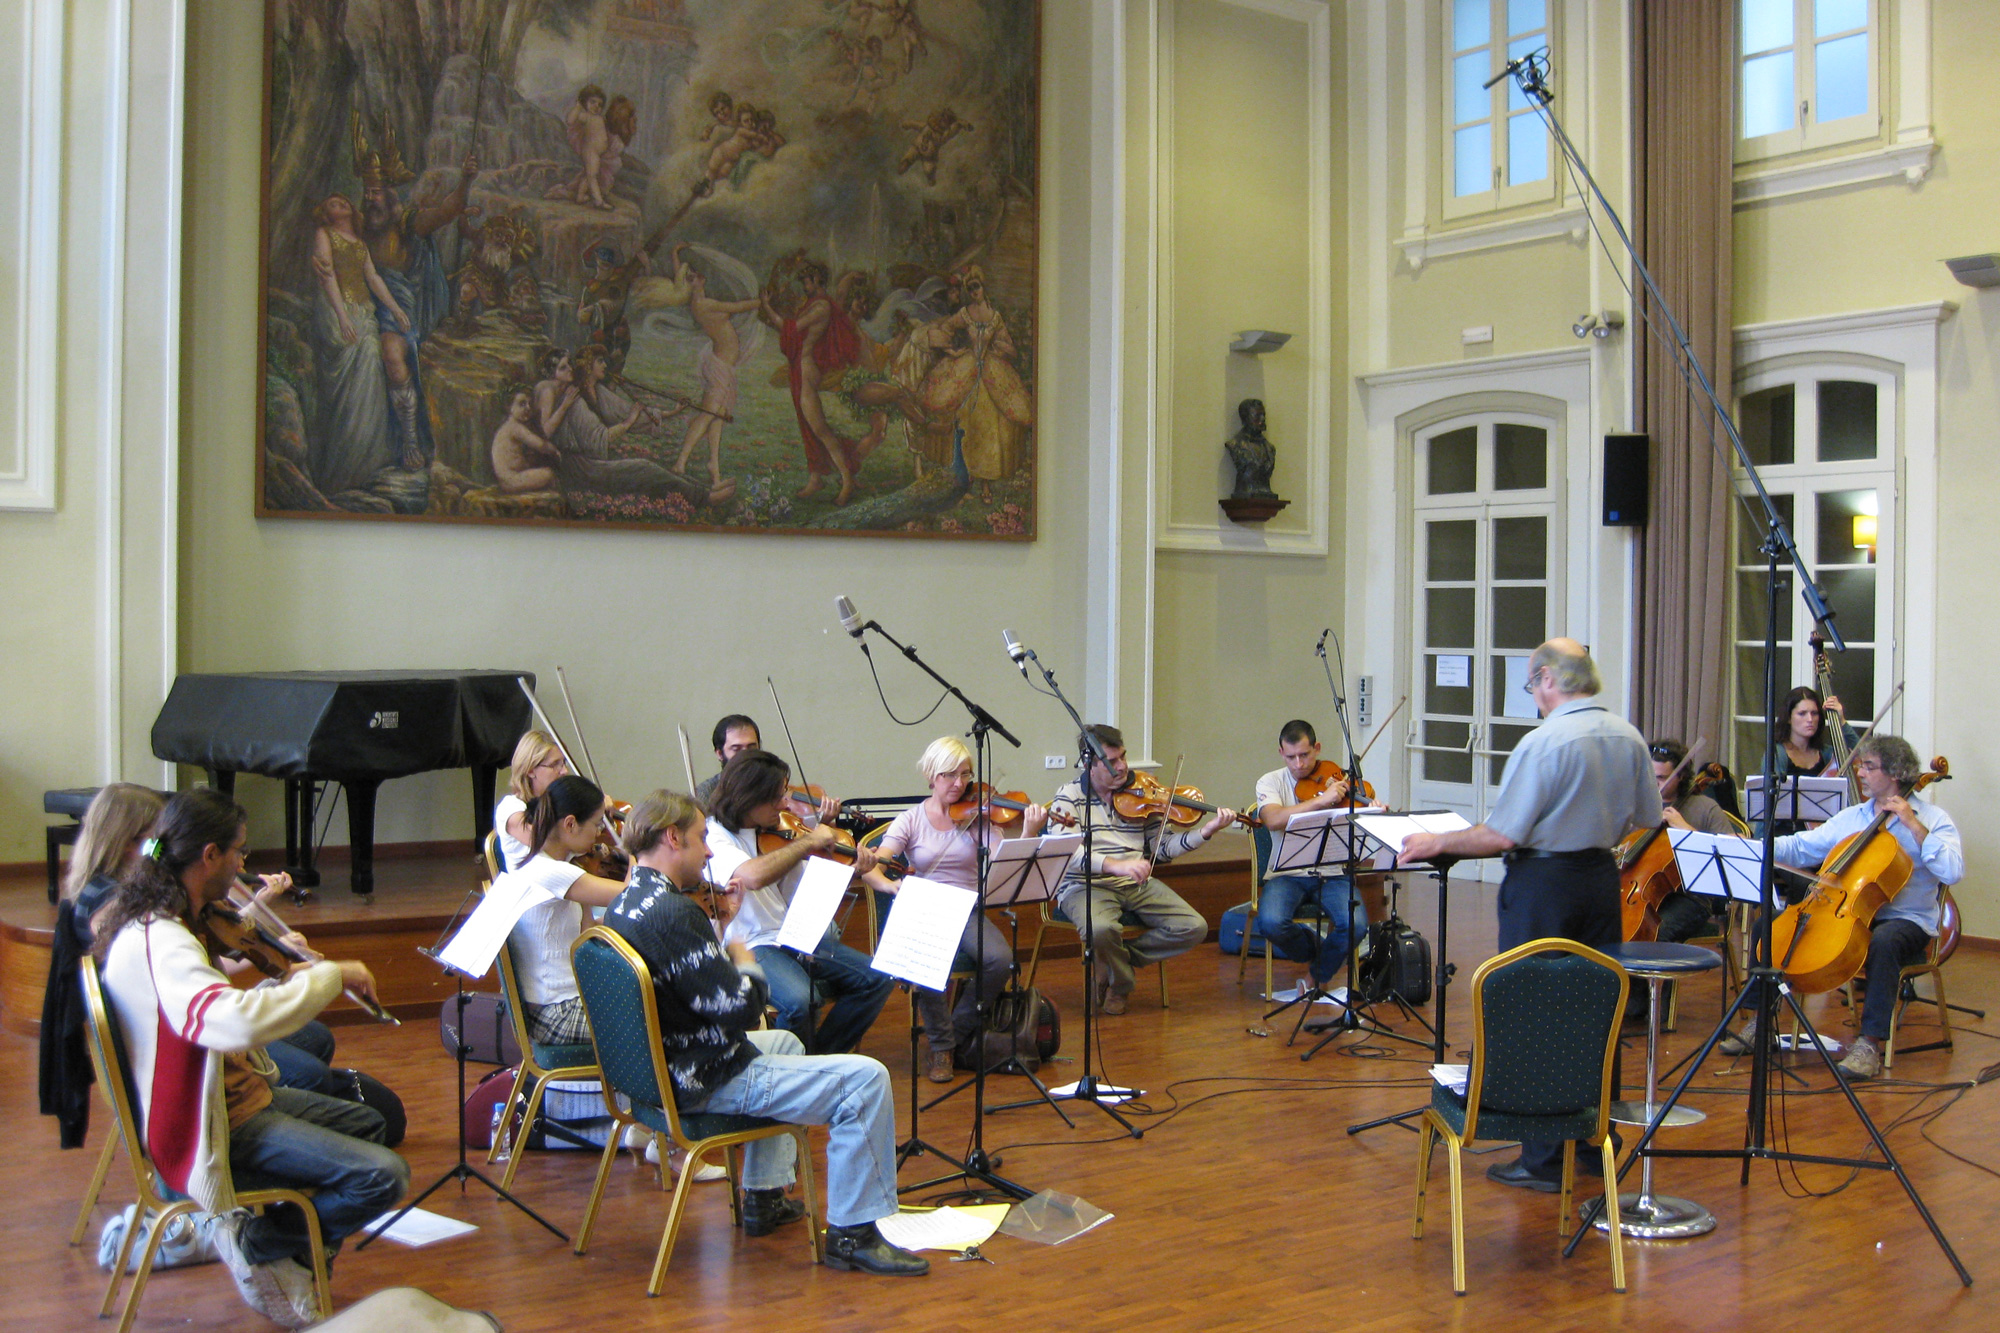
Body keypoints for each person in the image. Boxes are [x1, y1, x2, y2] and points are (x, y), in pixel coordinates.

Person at [94, 789, 407, 1328]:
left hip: (229, 1097)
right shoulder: (164, 941)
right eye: (238, 851)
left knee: (371, 1123)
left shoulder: (165, 917)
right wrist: (327, 975)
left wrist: (295, 965)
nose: (244, 863)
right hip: (206, 1124)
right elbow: (236, 1020)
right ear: (209, 856)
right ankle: (258, 1242)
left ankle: (289, 1256)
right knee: (385, 1177)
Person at [604, 791, 927, 1274]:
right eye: (699, 840)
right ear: (672, 838)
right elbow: (738, 1009)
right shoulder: (674, 913)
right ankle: (853, 1234)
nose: (710, 852)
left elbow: (685, 984)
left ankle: (763, 1196)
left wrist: (720, 931)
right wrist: (745, 960)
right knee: (867, 1078)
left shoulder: (627, 901)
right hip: (702, 1077)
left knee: (789, 1042)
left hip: (657, 1069)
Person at [1398, 639, 1658, 1193]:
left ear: (1545, 679)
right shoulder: (1628, 735)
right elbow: (1646, 816)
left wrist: (1432, 842)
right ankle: (1593, 1144)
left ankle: (1540, 1158)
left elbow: (1501, 834)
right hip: (1599, 882)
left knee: (1532, 1006)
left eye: (1531, 686)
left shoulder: (1545, 743)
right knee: (1596, 1005)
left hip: (1544, 885)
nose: (1533, 698)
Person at [1719, 734, 1961, 1080]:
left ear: (1895, 774)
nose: (1859, 772)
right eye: (1860, 765)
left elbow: (1953, 870)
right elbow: (1803, 846)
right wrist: (1756, 846)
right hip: (1848, 914)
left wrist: (1912, 823)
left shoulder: (1933, 819)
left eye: (1869, 766)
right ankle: (1761, 1023)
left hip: (1906, 921)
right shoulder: (1853, 817)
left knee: (1885, 941)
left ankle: (1868, 1045)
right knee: (1767, 927)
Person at [862, 737, 1044, 1081]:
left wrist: (1030, 830)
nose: (960, 784)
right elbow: (875, 864)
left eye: (965, 774)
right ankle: (943, 1048)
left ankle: (954, 1034)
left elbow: (1008, 861)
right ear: (931, 776)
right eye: (949, 775)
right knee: (929, 965)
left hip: (966, 908)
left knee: (999, 960)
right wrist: (887, 885)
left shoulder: (978, 817)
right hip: (926, 908)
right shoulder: (911, 820)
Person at [705, 750, 893, 1053]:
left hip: (790, 936)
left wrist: (850, 869)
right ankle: (792, 1074)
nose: (784, 804)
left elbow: (805, 893)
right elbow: (751, 876)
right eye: (776, 797)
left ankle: (819, 1061)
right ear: (749, 797)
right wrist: (807, 842)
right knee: (799, 1002)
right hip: (749, 942)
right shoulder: (715, 836)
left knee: (877, 978)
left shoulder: (770, 834)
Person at [1048, 725, 1237, 1015]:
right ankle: (1121, 984)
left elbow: (1163, 849)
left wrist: (1206, 831)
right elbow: (1067, 852)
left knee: (1194, 926)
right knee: (1100, 929)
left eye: (1123, 757)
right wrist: (1117, 865)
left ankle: (1111, 965)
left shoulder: (1142, 794)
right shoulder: (1069, 796)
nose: (1123, 766)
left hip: (1134, 883)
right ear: (1090, 765)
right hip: (1085, 885)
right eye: (1112, 762)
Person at [495, 774, 627, 1046]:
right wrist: (637, 850)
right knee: (660, 1022)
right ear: (570, 824)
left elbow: (584, 935)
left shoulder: (557, 866)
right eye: (596, 824)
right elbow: (632, 894)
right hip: (556, 1013)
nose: (600, 833)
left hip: (562, 1002)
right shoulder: (550, 871)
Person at [1252, 721, 1381, 999]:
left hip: (1333, 873)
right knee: (1272, 922)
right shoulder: (1270, 781)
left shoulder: (1339, 780)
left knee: (1356, 925)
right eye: (1291, 757)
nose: (1299, 764)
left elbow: (1363, 827)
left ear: (1317, 748)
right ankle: (1325, 952)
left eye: (1305, 755)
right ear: (1281, 753)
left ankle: (1316, 976)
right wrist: (1321, 802)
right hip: (1286, 873)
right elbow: (1273, 819)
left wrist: (1374, 812)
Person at [694, 714, 841, 826]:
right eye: (737, 749)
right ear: (719, 753)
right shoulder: (705, 794)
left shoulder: (772, 783)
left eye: (752, 747)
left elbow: (791, 827)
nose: (747, 756)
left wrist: (820, 820)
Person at [495, 730, 569, 872]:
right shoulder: (510, 808)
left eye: (564, 763)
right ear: (530, 770)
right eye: (555, 765)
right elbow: (550, 844)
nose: (564, 771)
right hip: (534, 890)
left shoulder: (557, 803)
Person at [490, 388, 562, 493]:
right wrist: (554, 450)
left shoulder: (507, 427)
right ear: (509, 407)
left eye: (529, 404)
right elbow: (541, 445)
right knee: (549, 474)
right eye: (522, 404)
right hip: (512, 480)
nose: (528, 408)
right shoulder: (515, 427)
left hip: (507, 481)